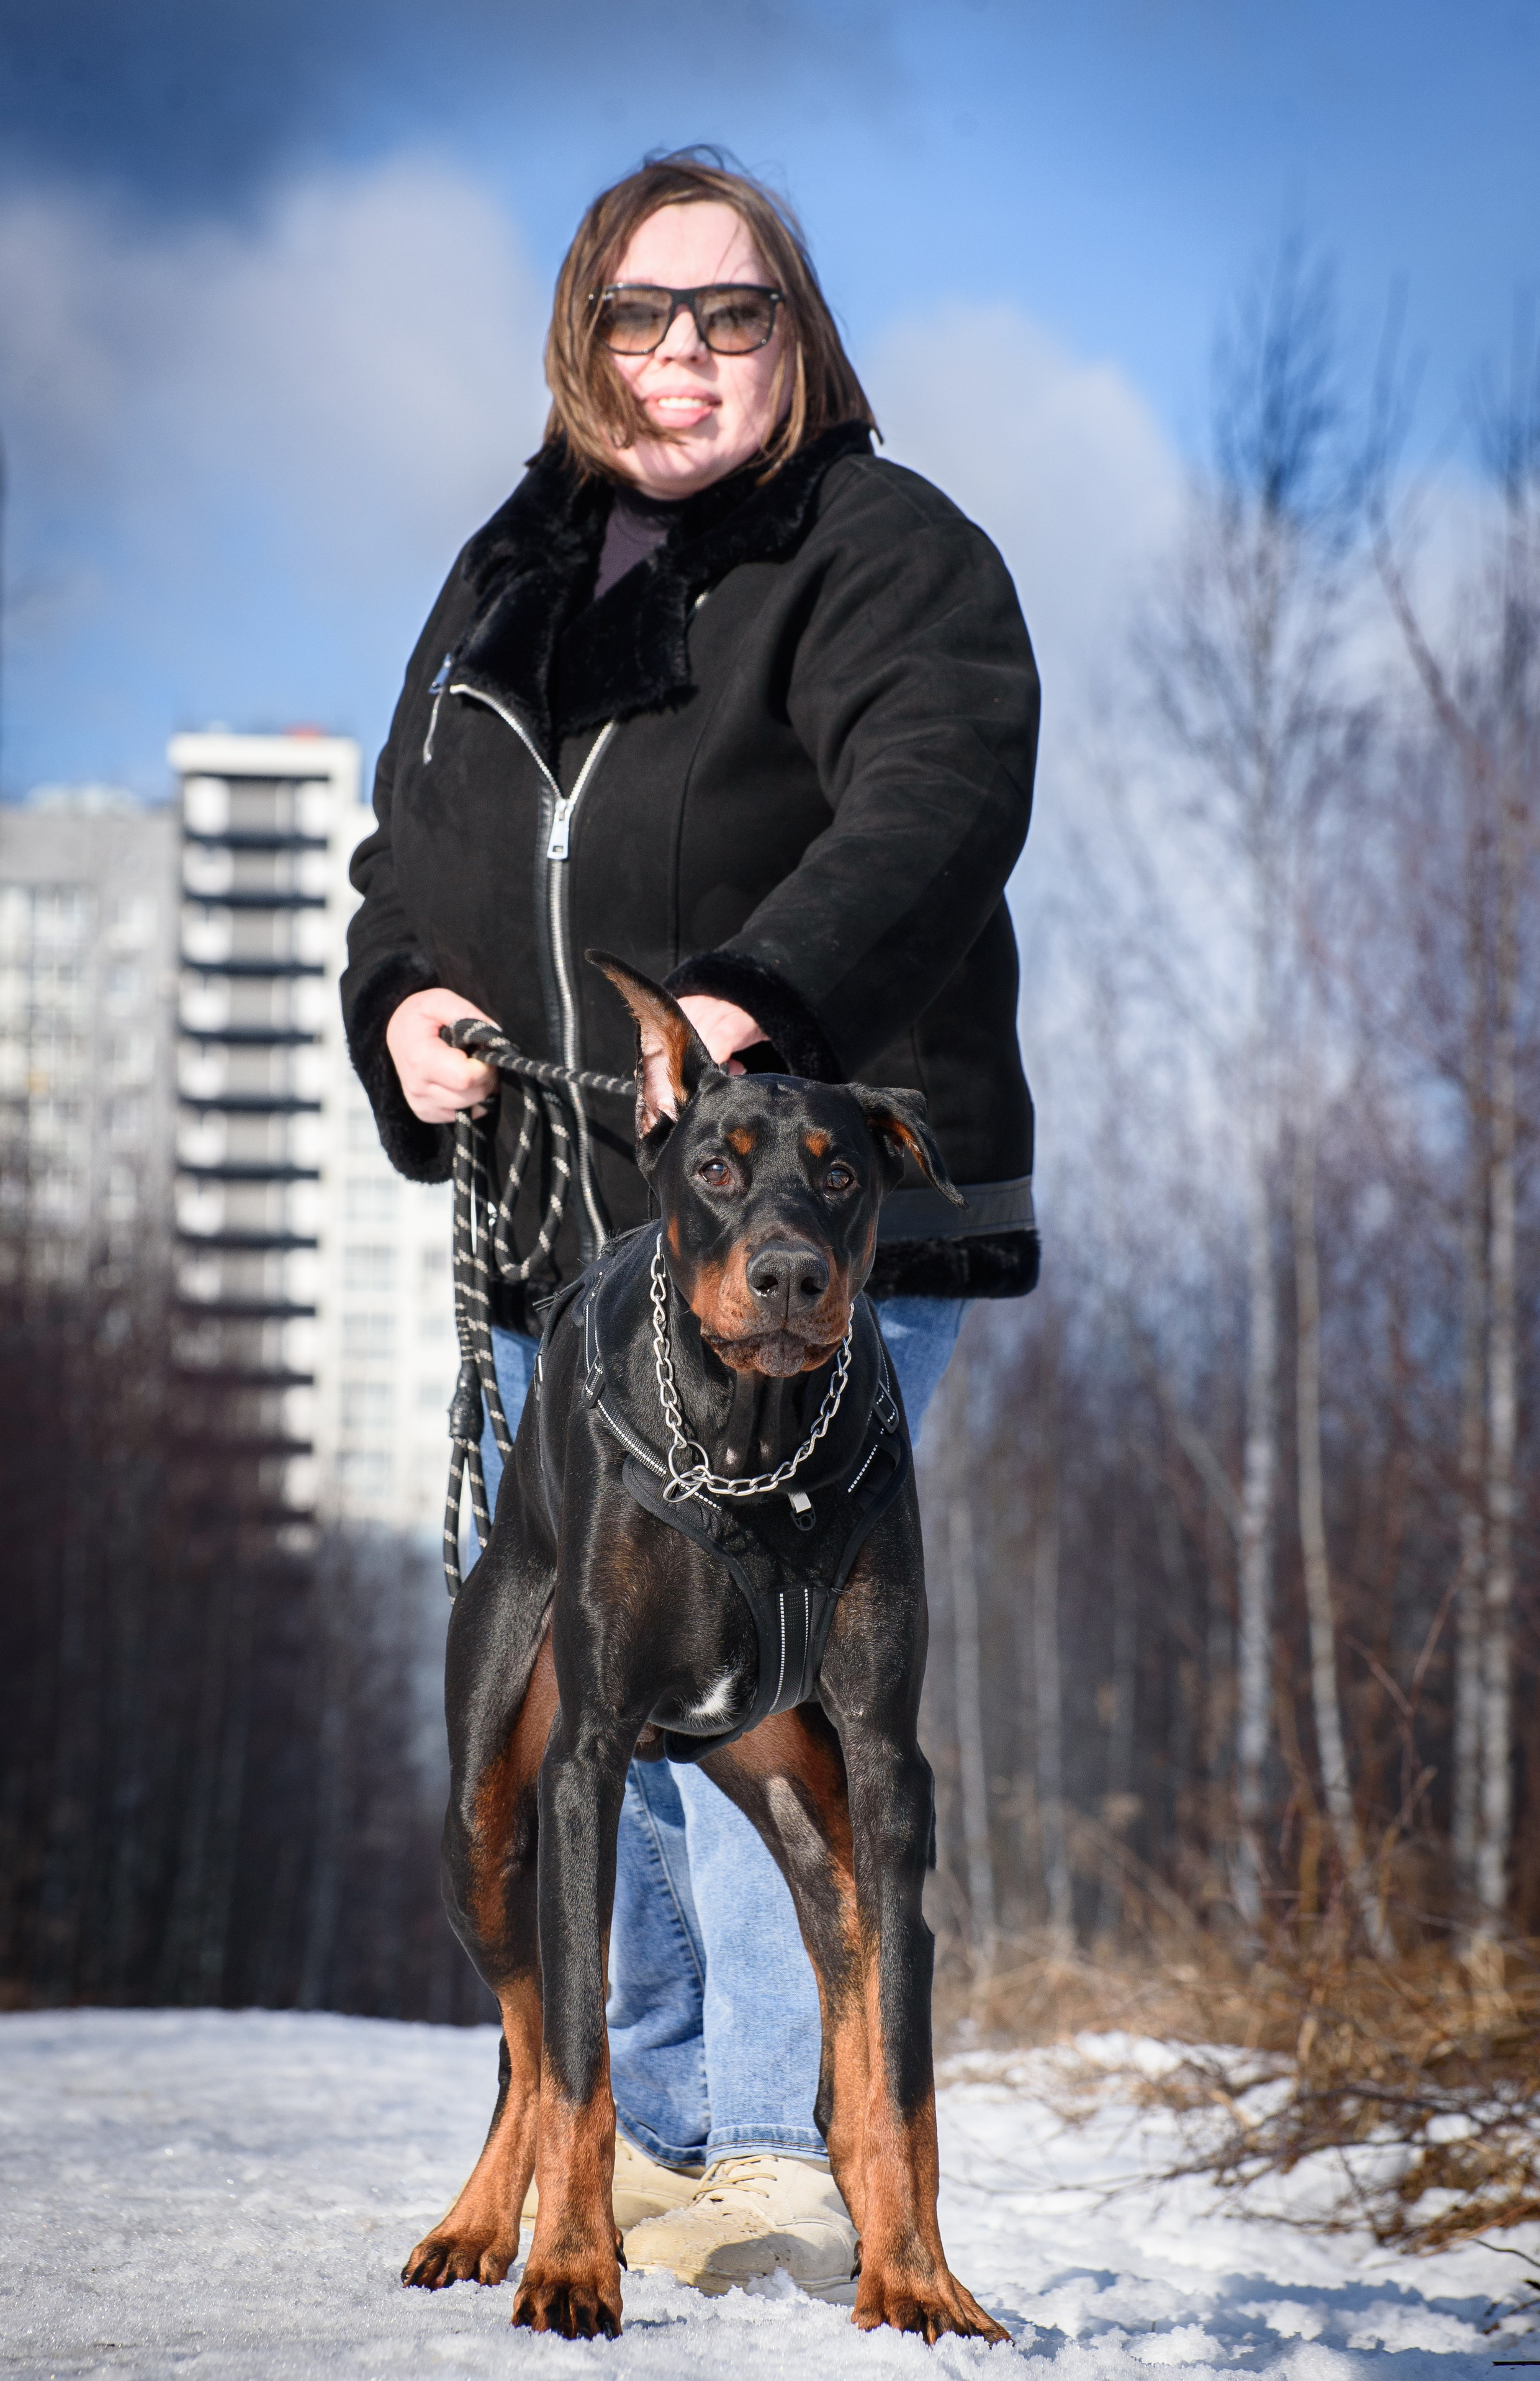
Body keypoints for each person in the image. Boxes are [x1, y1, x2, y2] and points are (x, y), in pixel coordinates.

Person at [341, 148, 1039, 2300]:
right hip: (578, 1226)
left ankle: (763, 2153)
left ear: (797, 334)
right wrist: (402, 1011)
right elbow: (409, 846)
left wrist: (762, 997)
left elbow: (939, 793)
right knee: (588, 1702)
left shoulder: (881, 548)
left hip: (822, 1213)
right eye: (642, 316)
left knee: (784, 1704)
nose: (684, 357)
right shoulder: (508, 571)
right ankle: (623, 2130)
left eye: (731, 314)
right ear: (584, 337)